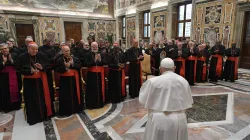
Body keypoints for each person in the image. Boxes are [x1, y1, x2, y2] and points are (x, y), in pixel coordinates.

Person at [139, 58, 193, 140]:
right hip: (180, 119)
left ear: (160, 69)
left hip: (159, 120)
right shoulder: (183, 81)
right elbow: (189, 100)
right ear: (174, 68)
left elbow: (142, 100)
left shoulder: (152, 82)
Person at [16, 42, 52, 125]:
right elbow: (18, 69)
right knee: (31, 100)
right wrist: (29, 71)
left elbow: (48, 67)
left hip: (41, 80)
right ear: (28, 49)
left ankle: (45, 115)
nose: (35, 51)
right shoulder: (22, 57)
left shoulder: (42, 55)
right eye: (33, 49)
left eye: (36, 49)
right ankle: (34, 118)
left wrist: (42, 68)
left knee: (43, 98)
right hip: (29, 82)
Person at [55, 45, 82, 116]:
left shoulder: (74, 58)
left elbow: (79, 66)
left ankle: (76, 109)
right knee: (66, 95)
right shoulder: (59, 60)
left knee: (75, 93)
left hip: (74, 79)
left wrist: (72, 64)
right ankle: (67, 111)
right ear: (62, 51)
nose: (67, 52)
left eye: (68, 51)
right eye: (65, 51)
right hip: (65, 81)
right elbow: (57, 70)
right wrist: (65, 67)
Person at [0, 43, 21, 112]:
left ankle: (16, 106)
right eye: (2, 49)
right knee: (5, 92)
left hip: (14, 75)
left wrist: (11, 60)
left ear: (8, 49)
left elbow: (19, 65)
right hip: (3, 78)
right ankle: (7, 107)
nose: (4, 50)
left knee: (16, 90)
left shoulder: (14, 55)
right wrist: (4, 62)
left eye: (5, 48)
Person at [85, 42, 105, 109]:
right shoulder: (87, 54)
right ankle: (92, 105)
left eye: (96, 47)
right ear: (91, 47)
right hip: (91, 76)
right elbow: (87, 64)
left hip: (99, 75)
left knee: (100, 89)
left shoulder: (101, 54)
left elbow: (104, 63)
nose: (95, 48)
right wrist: (94, 60)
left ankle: (100, 103)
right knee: (92, 90)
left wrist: (100, 60)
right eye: (93, 47)